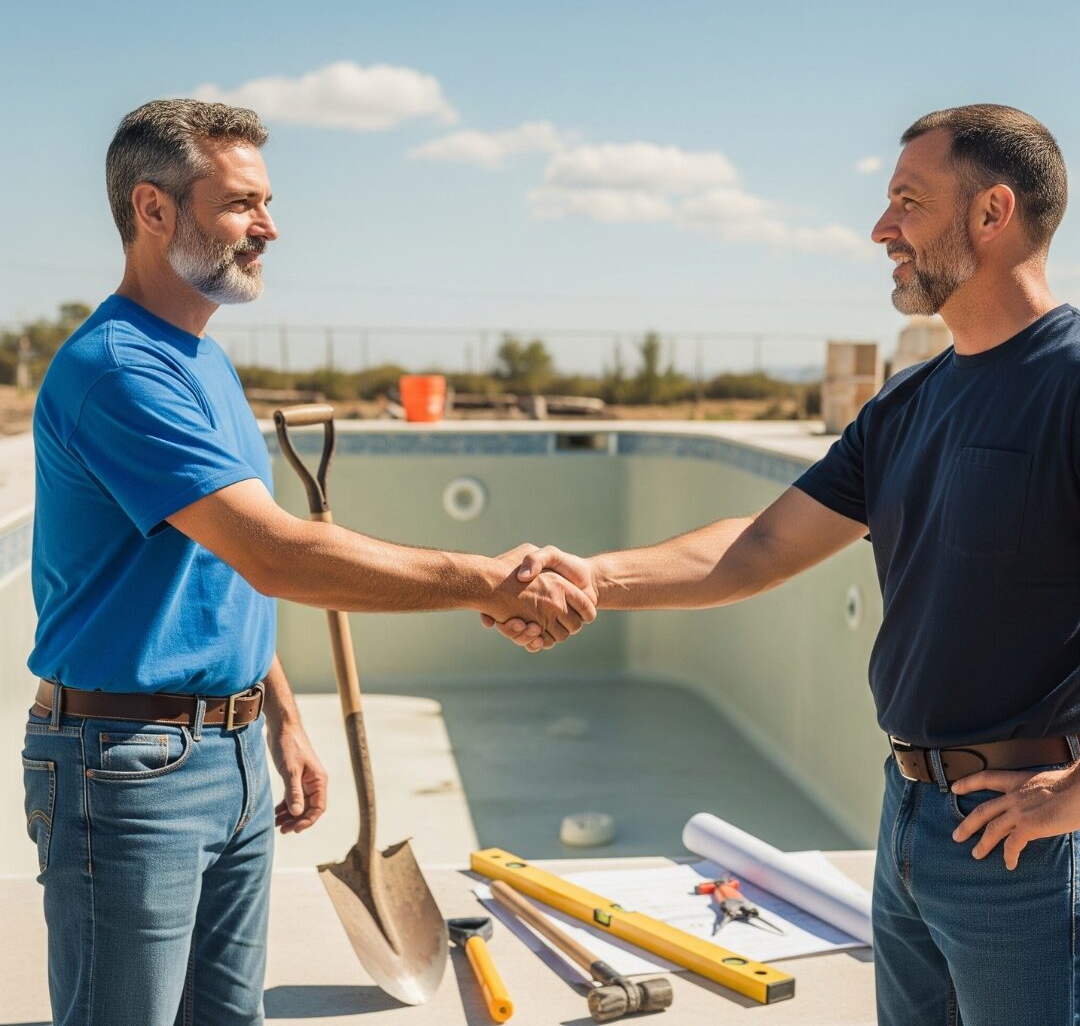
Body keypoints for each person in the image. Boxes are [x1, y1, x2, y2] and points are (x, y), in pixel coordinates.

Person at [492, 104, 1080, 1025]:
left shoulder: (1071, 381)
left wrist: (1077, 795)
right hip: (914, 823)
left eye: (907, 203)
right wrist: (595, 575)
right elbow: (759, 546)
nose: (882, 229)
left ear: (992, 213)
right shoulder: (910, 404)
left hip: (1030, 846)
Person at [22, 98, 596, 1026]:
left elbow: (225, 567)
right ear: (153, 209)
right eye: (244, 203)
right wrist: (490, 582)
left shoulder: (203, 360)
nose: (270, 227)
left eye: (268, 201)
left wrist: (277, 716)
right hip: (126, 768)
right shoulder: (121, 369)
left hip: (230, 751)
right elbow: (278, 554)